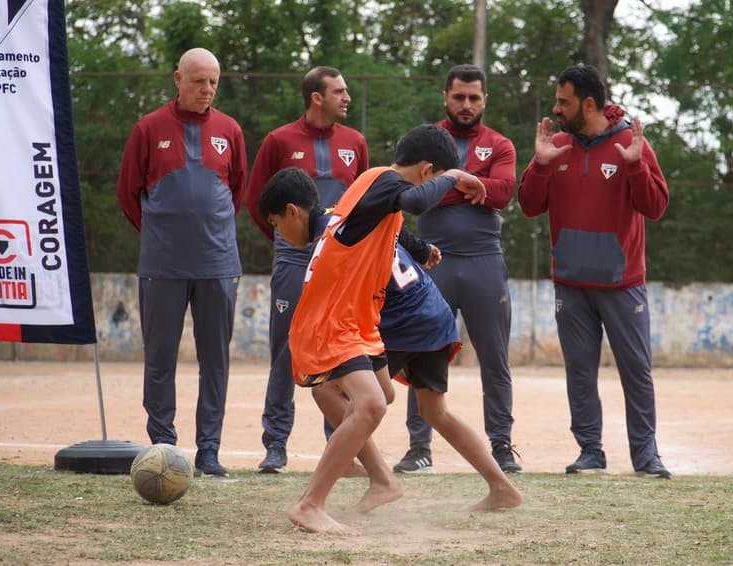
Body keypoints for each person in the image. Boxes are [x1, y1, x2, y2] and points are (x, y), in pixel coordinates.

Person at [258, 167, 521, 526]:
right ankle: (502, 487)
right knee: (432, 411)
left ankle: (377, 479)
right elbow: (396, 229)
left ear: (292, 211)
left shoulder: (332, 233)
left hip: (397, 321)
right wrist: (423, 248)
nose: (280, 236)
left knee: (333, 394)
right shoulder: (347, 215)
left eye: (276, 225)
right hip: (431, 311)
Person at [517, 64, 671, 479]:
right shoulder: (557, 144)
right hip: (571, 284)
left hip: (622, 284)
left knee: (635, 371)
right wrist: (541, 163)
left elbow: (656, 208)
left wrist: (637, 166)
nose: (556, 108)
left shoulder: (631, 143)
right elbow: (529, 206)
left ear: (588, 103)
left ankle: (646, 457)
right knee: (579, 371)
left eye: (563, 101)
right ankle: (590, 451)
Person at [116, 48, 247, 477]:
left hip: (218, 264)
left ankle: (209, 451)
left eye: (213, 82)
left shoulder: (230, 129)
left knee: (216, 361)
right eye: (198, 81)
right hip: (163, 267)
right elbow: (128, 193)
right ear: (177, 79)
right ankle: (163, 449)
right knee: (160, 360)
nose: (206, 89)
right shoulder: (148, 128)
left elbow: (237, 192)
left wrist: (211, 232)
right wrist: (162, 236)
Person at [396, 64, 520, 475]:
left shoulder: (500, 144)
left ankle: (501, 446)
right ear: (446, 97)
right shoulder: (427, 139)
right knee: (421, 353)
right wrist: (469, 184)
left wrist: (447, 183)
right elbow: (415, 195)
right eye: (459, 97)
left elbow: (502, 193)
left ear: (485, 100)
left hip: (485, 262)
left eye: (474, 98)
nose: (466, 105)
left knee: (495, 357)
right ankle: (419, 448)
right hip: (434, 261)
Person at [245, 66, 369, 473]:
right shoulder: (279, 140)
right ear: (317, 97)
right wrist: (288, 242)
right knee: (286, 353)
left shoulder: (355, 142)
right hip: (294, 262)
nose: (346, 97)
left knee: (343, 353)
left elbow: (362, 203)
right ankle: (275, 445)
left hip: (340, 266)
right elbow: (258, 202)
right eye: (339, 91)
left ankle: (340, 445)